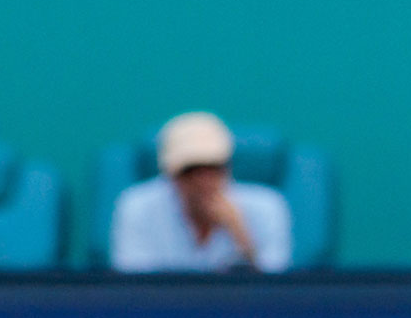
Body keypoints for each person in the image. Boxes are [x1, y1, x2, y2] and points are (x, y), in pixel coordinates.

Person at [109, 111, 293, 274]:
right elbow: (133, 288)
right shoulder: (136, 207)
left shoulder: (268, 207)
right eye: (190, 170)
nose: (203, 181)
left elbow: (276, 293)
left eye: (213, 168)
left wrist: (241, 236)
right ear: (170, 174)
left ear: (228, 169)